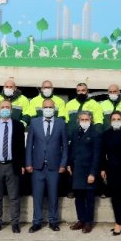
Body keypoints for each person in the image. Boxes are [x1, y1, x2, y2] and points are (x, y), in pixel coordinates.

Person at [26, 98, 68, 232]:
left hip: (54, 166)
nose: (48, 109)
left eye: (51, 107)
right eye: (46, 107)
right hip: (37, 166)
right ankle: (37, 222)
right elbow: (29, 146)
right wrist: (28, 163)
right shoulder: (34, 122)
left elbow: (65, 146)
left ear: (54, 109)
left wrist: (63, 163)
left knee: (53, 195)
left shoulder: (61, 123)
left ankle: (53, 221)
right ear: (42, 109)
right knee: (37, 196)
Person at [0, 99, 26, 234]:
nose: (5, 109)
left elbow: (21, 148)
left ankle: (15, 223)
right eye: (3, 107)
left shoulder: (19, 126)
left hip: (12, 165)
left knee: (14, 196)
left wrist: (22, 165)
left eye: (8, 107)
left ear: (12, 110)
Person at [68, 111, 101, 234]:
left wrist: (93, 173)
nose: (84, 122)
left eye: (86, 119)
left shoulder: (96, 133)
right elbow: (72, 150)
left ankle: (88, 223)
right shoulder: (76, 132)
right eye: (82, 119)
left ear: (91, 120)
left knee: (89, 199)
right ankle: (81, 220)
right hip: (77, 171)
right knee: (79, 198)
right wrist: (69, 164)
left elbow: (97, 155)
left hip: (88, 172)